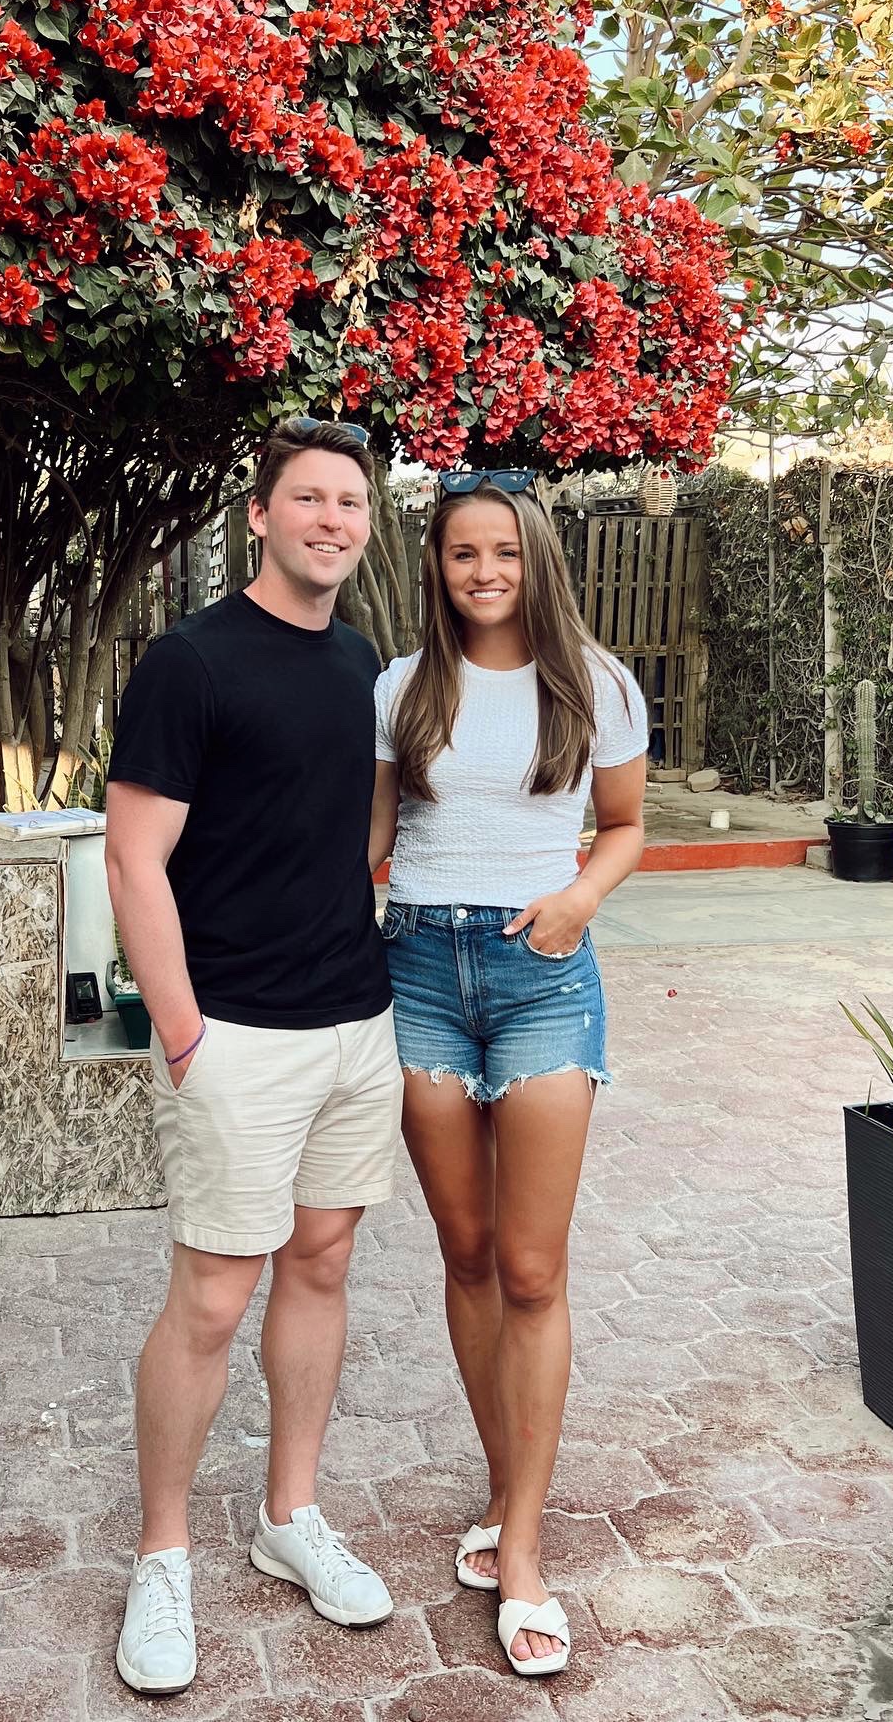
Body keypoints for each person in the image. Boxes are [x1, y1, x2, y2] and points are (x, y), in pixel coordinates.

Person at [104, 418, 401, 1696]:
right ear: (262, 515)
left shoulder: (365, 665)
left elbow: (364, 830)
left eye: (351, 501)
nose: (332, 519)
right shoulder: (190, 662)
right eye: (309, 498)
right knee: (214, 1297)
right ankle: (162, 1556)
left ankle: (289, 1517)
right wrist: (182, 1032)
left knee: (322, 1264)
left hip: (356, 1021)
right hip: (236, 1035)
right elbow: (133, 858)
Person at [368, 472, 648, 1679]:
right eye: (462, 554)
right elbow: (368, 840)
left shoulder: (595, 683)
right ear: (437, 565)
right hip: (421, 971)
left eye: (504, 553)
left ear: (536, 557)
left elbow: (629, 826)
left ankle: (523, 1547)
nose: (483, 573)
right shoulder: (401, 686)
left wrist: (579, 896)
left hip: (543, 974)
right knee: (468, 1253)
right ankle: (504, 1490)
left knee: (533, 1267)